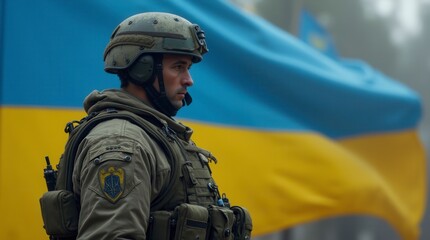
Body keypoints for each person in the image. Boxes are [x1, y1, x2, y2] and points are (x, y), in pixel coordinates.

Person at [64, 12, 252, 239]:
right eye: (178, 67)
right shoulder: (123, 144)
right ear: (143, 68)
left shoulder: (156, 135)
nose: (188, 80)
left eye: (188, 68)